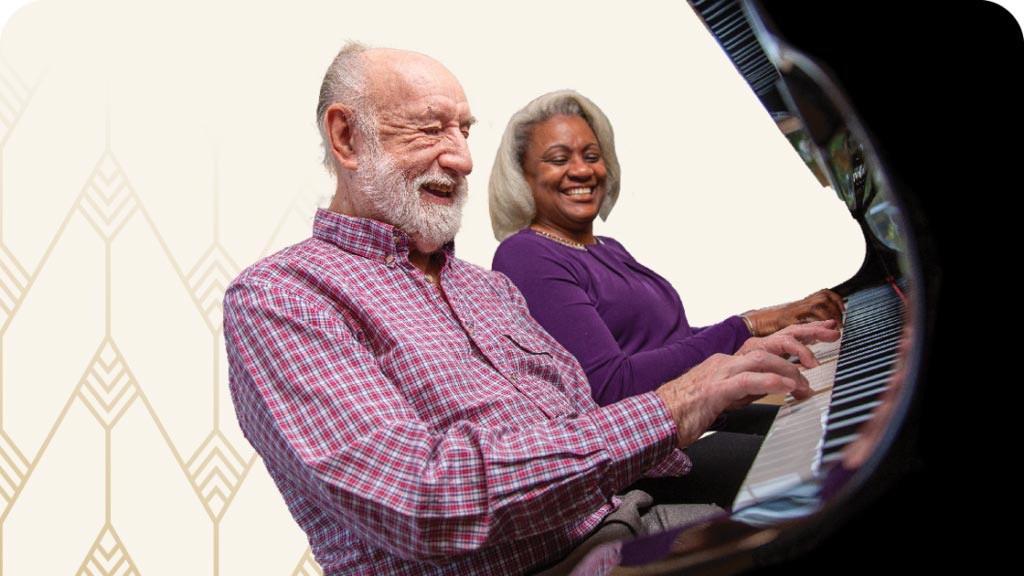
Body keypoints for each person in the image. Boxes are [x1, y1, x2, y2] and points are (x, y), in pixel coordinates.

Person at [223, 43, 832, 575]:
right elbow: (425, 502)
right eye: (430, 129)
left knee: (826, 465)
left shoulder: (487, 289)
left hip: (621, 516)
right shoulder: (282, 295)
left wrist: (731, 387)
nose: (461, 157)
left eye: (464, 130)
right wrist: (682, 400)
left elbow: (587, 417)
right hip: (558, 559)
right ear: (347, 136)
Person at [489, 90, 845, 407]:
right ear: (523, 177)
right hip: (651, 456)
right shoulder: (525, 256)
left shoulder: (608, 248)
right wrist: (748, 326)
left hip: (701, 419)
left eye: (591, 154)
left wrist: (774, 323)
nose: (582, 170)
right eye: (558, 158)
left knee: (826, 415)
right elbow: (610, 384)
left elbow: (673, 344)